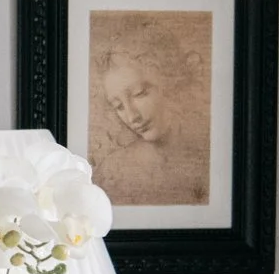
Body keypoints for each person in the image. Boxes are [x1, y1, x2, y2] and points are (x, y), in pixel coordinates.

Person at [88, 11, 211, 208]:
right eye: (118, 106)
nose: (131, 116)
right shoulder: (112, 174)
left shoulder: (208, 160)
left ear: (169, 81)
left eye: (139, 94)